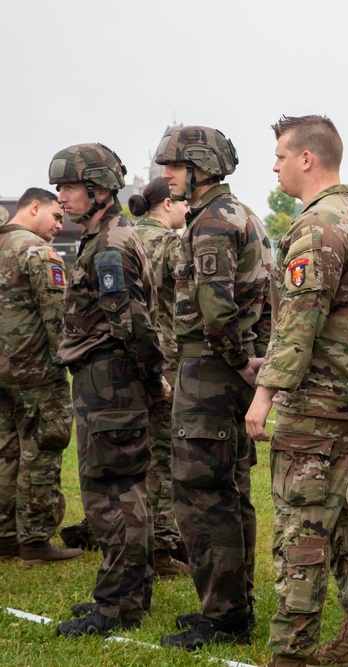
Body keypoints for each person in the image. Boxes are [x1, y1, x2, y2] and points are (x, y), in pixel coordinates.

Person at [244, 114, 348, 667]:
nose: (275, 165)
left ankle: (292, 654)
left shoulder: (316, 226)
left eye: (281, 155)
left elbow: (298, 324)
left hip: (319, 413)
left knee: (301, 538)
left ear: (308, 159)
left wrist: (265, 394)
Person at [155, 125, 272, 650]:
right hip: (220, 370)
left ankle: (225, 614)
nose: (166, 176)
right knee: (231, 489)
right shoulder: (238, 214)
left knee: (204, 495)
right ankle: (234, 602)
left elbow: (216, 308)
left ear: (201, 167)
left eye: (174, 167)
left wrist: (239, 360)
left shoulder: (211, 223)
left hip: (209, 372)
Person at [49, 144, 165, 638]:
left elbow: (133, 324)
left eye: (70, 186)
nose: (61, 195)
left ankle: (117, 605)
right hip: (106, 377)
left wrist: (148, 375)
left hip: (110, 381)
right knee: (116, 489)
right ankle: (128, 593)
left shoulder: (109, 246)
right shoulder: (104, 236)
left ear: (99, 189)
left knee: (112, 494)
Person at [0, 188, 80, 567]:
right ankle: (34, 542)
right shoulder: (37, 252)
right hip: (34, 373)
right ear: (34, 206)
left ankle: (4, 537)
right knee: (42, 450)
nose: (59, 226)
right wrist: (72, 362)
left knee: (5, 452)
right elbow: (58, 318)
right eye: (56, 216)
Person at [127, 178, 189, 579]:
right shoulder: (168, 245)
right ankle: (162, 548)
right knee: (163, 457)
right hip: (163, 359)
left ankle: (137, 537)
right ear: (168, 204)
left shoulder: (126, 237)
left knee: (135, 454)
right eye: (184, 202)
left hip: (125, 360)